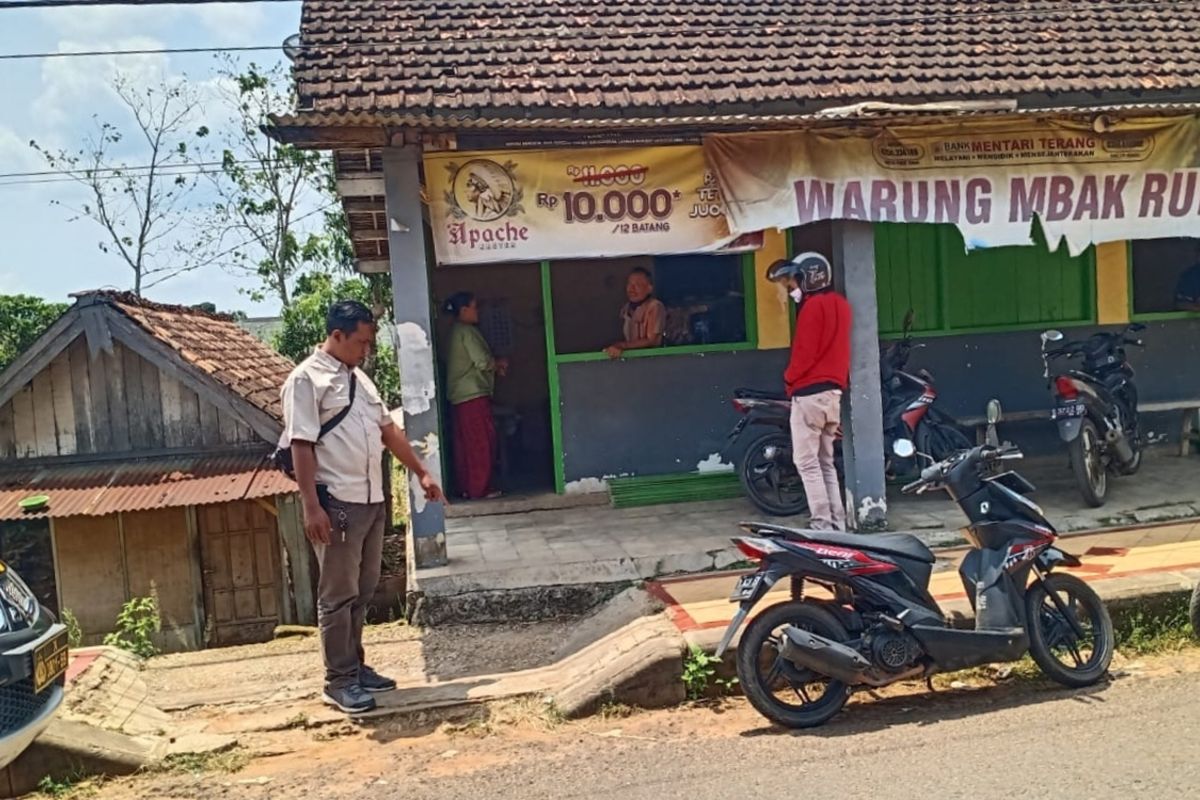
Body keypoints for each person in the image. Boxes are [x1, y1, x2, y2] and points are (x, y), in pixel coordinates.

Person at [281, 300, 445, 715]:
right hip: (336, 501)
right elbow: (300, 444)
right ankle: (338, 681)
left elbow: (388, 431)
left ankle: (355, 666)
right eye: (360, 342)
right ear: (336, 335)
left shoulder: (361, 379)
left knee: (362, 589)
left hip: (371, 501)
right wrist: (311, 505)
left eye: (369, 344)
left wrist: (421, 473)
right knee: (337, 594)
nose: (365, 350)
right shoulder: (306, 380)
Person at [768, 252, 852, 532]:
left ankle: (821, 524)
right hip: (833, 395)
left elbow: (804, 354)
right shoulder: (842, 305)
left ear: (810, 278)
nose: (791, 287)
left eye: (793, 281)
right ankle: (837, 524)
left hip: (809, 395)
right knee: (825, 462)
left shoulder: (812, 308)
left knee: (806, 462)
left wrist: (788, 378)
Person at [444, 292, 508, 500]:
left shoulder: (454, 332)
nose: (477, 311)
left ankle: (467, 487)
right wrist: (498, 364)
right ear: (464, 311)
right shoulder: (467, 332)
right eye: (474, 307)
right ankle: (480, 488)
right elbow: (482, 361)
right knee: (480, 443)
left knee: (464, 445)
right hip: (472, 395)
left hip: (459, 396)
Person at [604, 267, 666, 359]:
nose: (631, 288)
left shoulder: (655, 306)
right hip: (632, 362)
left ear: (649, 288)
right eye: (629, 284)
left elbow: (651, 340)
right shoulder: (625, 309)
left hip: (653, 362)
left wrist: (622, 346)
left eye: (637, 284)